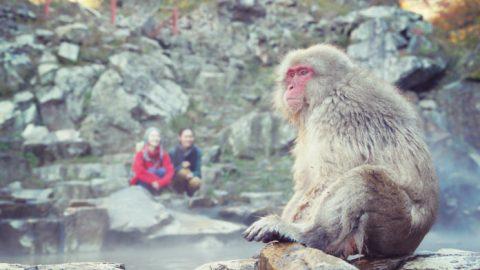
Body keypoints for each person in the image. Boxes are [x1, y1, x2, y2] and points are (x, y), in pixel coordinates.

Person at [129, 127, 174, 195]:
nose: (155, 139)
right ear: (147, 138)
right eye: (152, 136)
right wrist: (154, 181)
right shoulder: (140, 153)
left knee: (162, 171)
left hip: (157, 183)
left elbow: (170, 171)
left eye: (158, 136)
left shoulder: (163, 154)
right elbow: (139, 172)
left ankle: (157, 191)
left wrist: (160, 182)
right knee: (151, 171)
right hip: (143, 181)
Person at [169, 128, 202, 197]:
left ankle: (190, 195)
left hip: (190, 178)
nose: (188, 139)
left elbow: (198, 172)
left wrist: (192, 174)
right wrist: (182, 167)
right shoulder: (173, 152)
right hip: (176, 180)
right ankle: (178, 193)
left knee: (196, 181)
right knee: (183, 171)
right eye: (186, 137)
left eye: (190, 137)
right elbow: (170, 170)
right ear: (180, 138)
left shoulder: (197, 151)